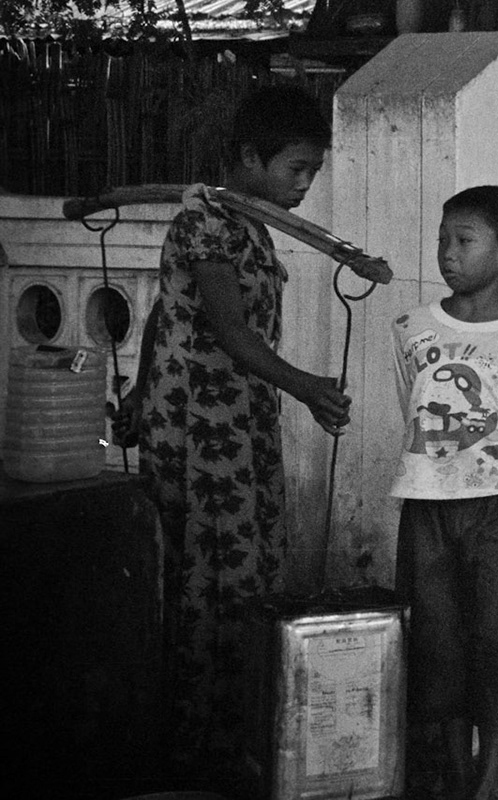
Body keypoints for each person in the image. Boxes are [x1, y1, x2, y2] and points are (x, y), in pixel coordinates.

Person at [136, 83, 354, 776]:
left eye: (313, 171)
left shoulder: (251, 222)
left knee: (250, 574)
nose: (305, 184)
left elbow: (162, 313)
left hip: (241, 422)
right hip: (199, 429)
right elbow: (229, 332)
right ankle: (196, 750)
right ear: (249, 156)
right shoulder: (205, 222)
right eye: (296, 168)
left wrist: (142, 382)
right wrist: (308, 386)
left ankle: (236, 739)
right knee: (210, 580)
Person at [390, 184, 498, 800]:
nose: (447, 253)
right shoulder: (411, 327)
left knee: (496, 636)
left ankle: (490, 780)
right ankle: (456, 776)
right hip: (426, 505)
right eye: (442, 240)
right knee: (436, 639)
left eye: (464, 241)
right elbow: (410, 408)